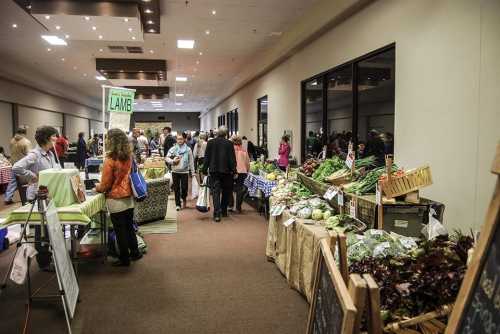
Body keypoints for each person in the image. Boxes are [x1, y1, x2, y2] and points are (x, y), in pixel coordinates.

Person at [13, 126, 60, 270]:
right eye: (54, 136)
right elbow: (16, 167)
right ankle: (43, 262)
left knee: (49, 227)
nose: (56, 139)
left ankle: (49, 256)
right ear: (46, 138)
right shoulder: (35, 154)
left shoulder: (50, 154)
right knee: (41, 230)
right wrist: (33, 176)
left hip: (48, 196)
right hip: (37, 197)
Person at [95, 128, 142, 267]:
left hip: (115, 199)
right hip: (129, 197)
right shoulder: (129, 156)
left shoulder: (110, 160)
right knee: (129, 226)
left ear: (111, 141)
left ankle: (124, 258)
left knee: (119, 229)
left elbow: (105, 185)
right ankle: (135, 252)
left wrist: (96, 187)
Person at [202, 126, 236, 223]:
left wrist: (204, 169)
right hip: (226, 172)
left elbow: (207, 157)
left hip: (214, 171)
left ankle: (217, 214)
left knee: (216, 192)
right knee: (226, 191)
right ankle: (224, 210)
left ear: (217, 133)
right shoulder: (229, 143)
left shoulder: (210, 142)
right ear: (226, 134)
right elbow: (232, 158)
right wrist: (234, 170)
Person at [166, 133, 195, 211]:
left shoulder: (188, 149)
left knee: (184, 188)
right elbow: (167, 158)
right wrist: (172, 161)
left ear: (185, 139)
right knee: (176, 188)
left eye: (181, 139)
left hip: (184, 172)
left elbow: (191, 161)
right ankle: (178, 204)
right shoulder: (173, 149)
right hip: (175, 171)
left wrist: (193, 172)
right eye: (178, 139)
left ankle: (184, 198)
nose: (179, 140)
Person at [5, 127, 32, 204]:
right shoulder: (26, 142)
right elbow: (29, 154)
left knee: (12, 181)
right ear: (24, 133)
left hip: (14, 164)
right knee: (26, 182)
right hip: (23, 165)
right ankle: (27, 199)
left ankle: (7, 198)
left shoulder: (12, 140)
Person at [232, 136, 250, 213]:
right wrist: (247, 170)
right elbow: (247, 162)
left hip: (233, 171)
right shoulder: (244, 150)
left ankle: (230, 204)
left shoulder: (231, 149)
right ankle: (238, 207)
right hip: (242, 171)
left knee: (229, 188)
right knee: (240, 189)